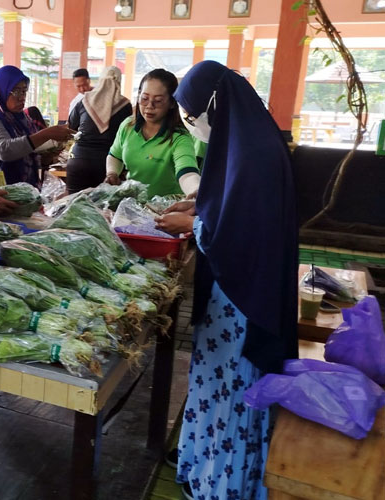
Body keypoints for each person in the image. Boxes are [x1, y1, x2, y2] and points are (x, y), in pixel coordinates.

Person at [154, 60, 299, 500]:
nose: (192, 126)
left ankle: (224, 485)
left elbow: (239, 231)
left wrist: (190, 226)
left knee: (234, 387)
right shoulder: (247, 142)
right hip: (234, 289)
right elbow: (230, 204)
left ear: (213, 105)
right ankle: (203, 463)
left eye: (192, 116)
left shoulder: (254, 153)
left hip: (243, 300)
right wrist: (199, 207)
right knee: (214, 382)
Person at [105, 68, 200, 198]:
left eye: (158, 101)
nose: (149, 106)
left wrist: (195, 191)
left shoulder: (179, 137)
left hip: (164, 209)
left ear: (172, 103)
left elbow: (187, 172)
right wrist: (112, 173)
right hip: (132, 204)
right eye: (144, 98)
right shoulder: (128, 126)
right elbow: (115, 155)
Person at [0, 65, 74, 188]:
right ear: (1, 91)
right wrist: (46, 134)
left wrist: (46, 157)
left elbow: (29, 151)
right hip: (6, 189)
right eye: (16, 91)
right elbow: (4, 150)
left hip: (29, 186)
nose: (22, 97)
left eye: (24, 91)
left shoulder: (23, 118)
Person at [67, 66, 132, 193]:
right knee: (103, 208)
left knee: (72, 206)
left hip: (79, 160)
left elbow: (71, 126)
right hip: (108, 165)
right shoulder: (125, 105)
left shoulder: (84, 101)